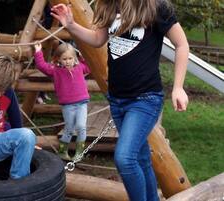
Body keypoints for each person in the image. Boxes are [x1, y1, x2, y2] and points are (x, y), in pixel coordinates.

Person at [51, 1, 189, 201]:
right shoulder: (109, 5)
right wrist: (71, 24)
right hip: (117, 100)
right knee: (140, 158)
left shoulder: (155, 7)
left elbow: (182, 44)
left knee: (125, 159)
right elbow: (98, 39)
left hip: (145, 99)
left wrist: (178, 87)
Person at [34, 42, 90, 161]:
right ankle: (63, 151)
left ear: (74, 58)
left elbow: (89, 66)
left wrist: (84, 56)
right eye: (64, 59)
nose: (68, 61)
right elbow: (41, 65)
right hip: (68, 105)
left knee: (81, 126)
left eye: (70, 58)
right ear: (58, 58)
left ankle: (79, 152)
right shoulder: (55, 70)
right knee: (69, 127)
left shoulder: (80, 67)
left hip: (82, 103)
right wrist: (38, 51)